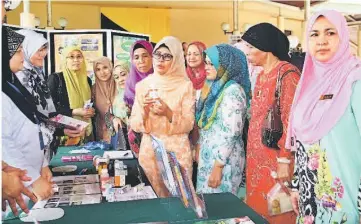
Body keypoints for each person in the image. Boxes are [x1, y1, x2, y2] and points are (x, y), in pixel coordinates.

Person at [287, 10, 361, 224]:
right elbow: (302, 143)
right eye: (314, 34)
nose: (322, 41)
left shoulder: (354, 80)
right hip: (309, 198)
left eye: (330, 33)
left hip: (346, 201)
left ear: (343, 37)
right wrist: (296, 185)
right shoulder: (307, 84)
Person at [242, 23, 300, 223]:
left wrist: (285, 160)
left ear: (265, 46)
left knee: (279, 209)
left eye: (250, 46)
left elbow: (292, 120)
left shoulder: (287, 74)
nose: (246, 51)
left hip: (277, 159)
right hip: (257, 158)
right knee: (258, 210)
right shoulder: (260, 75)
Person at [129, 36, 195, 197]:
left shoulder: (185, 86)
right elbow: (135, 124)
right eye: (158, 55)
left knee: (182, 201)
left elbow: (188, 124)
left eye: (167, 56)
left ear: (177, 58)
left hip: (177, 152)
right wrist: (144, 111)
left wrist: (168, 112)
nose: (160, 60)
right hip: (150, 152)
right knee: (159, 203)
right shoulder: (143, 85)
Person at [2, 27, 53, 220]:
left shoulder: (13, 85)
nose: (23, 56)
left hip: (30, 173)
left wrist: (43, 164)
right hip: (16, 180)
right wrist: (34, 177)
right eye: (16, 52)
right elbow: (4, 142)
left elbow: (34, 127)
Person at [13, 29, 84, 158]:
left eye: (44, 49)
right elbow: (31, 115)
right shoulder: (18, 78)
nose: (44, 54)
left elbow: (48, 112)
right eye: (38, 50)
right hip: (25, 147)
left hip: (44, 144)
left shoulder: (37, 75)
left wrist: (63, 130)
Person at [195, 44, 250, 195]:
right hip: (209, 158)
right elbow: (205, 122)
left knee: (223, 211)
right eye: (205, 62)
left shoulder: (233, 91)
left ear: (227, 65)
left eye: (212, 64)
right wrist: (200, 144)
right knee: (208, 207)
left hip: (224, 162)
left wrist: (218, 167)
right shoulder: (212, 86)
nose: (206, 67)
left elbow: (231, 132)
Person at [48, 47, 95, 145]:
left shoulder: (87, 80)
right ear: (65, 60)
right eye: (71, 57)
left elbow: (88, 103)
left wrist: (90, 111)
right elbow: (48, 110)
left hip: (86, 133)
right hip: (65, 134)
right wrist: (74, 111)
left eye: (79, 56)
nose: (76, 60)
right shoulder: (55, 79)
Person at [124, 40, 153, 155]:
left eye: (145, 56)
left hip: (160, 138)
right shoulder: (129, 84)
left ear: (152, 56)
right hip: (137, 139)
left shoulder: (162, 80)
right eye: (136, 57)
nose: (141, 61)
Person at [92, 57, 117, 143]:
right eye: (98, 69)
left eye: (105, 68)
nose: (102, 72)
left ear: (111, 68)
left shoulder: (120, 84)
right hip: (102, 134)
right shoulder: (93, 90)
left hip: (122, 132)